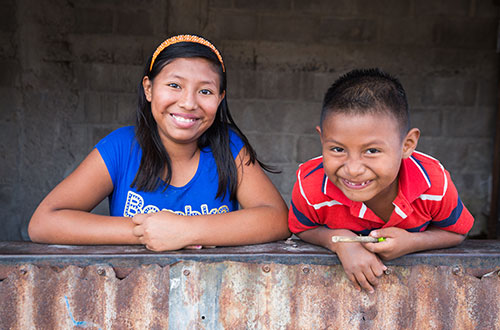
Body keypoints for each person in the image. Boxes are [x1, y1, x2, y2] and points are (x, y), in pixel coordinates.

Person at [28, 34, 290, 251]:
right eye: (174, 85)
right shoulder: (121, 148)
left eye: (205, 91)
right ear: (149, 89)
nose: (189, 102)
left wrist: (188, 231)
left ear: (220, 98)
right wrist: (145, 232)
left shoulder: (228, 148)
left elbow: (277, 218)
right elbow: (43, 223)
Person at [288, 68, 474, 293]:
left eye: (372, 151)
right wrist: (338, 241)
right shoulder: (310, 186)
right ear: (321, 139)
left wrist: (412, 243)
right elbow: (301, 228)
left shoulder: (434, 184)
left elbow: (457, 231)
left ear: (407, 145)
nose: (353, 169)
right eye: (337, 149)